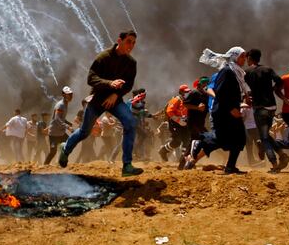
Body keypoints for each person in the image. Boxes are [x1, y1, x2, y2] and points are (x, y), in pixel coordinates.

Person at [59, 30, 144, 176]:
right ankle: (65, 148)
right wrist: (110, 84)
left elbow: (129, 84)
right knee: (84, 132)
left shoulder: (131, 63)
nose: (132, 45)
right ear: (119, 40)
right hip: (97, 100)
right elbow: (91, 79)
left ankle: (127, 165)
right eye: (129, 41)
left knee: (130, 122)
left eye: (134, 42)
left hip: (115, 101)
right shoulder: (103, 57)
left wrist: (115, 95)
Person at [185, 47, 250, 174]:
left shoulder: (237, 73)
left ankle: (230, 166)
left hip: (230, 109)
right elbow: (220, 93)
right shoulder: (227, 71)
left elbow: (231, 94)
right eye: (242, 56)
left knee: (239, 137)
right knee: (222, 138)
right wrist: (231, 108)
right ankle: (199, 143)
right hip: (223, 111)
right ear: (234, 56)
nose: (244, 59)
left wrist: (240, 103)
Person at [244, 49, 289, 172]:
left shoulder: (247, 72)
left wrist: (249, 95)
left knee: (263, 137)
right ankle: (282, 155)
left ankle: (274, 164)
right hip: (272, 107)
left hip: (260, 108)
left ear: (249, 58)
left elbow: (244, 87)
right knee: (265, 135)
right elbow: (280, 81)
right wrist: (272, 89)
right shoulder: (267, 69)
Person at [158, 84, 190, 162]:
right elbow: (169, 111)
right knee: (177, 141)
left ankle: (184, 159)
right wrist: (179, 121)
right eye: (185, 92)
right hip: (175, 123)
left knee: (186, 140)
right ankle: (163, 151)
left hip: (184, 123)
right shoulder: (176, 100)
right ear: (181, 92)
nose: (186, 93)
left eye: (187, 91)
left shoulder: (185, 100)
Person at [45, 87, 74, 165]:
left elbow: (61, 117)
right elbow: (57, 119)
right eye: (68, 94)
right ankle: (44, 165)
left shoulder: (65, 103)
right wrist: (68, 127)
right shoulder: (60, 105)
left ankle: (61, 162)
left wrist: (68, 123)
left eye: (71, 94)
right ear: (63, 95)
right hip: (54, 134)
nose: (70, 96)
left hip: (61, 133)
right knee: (53, 152)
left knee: (69, 144)